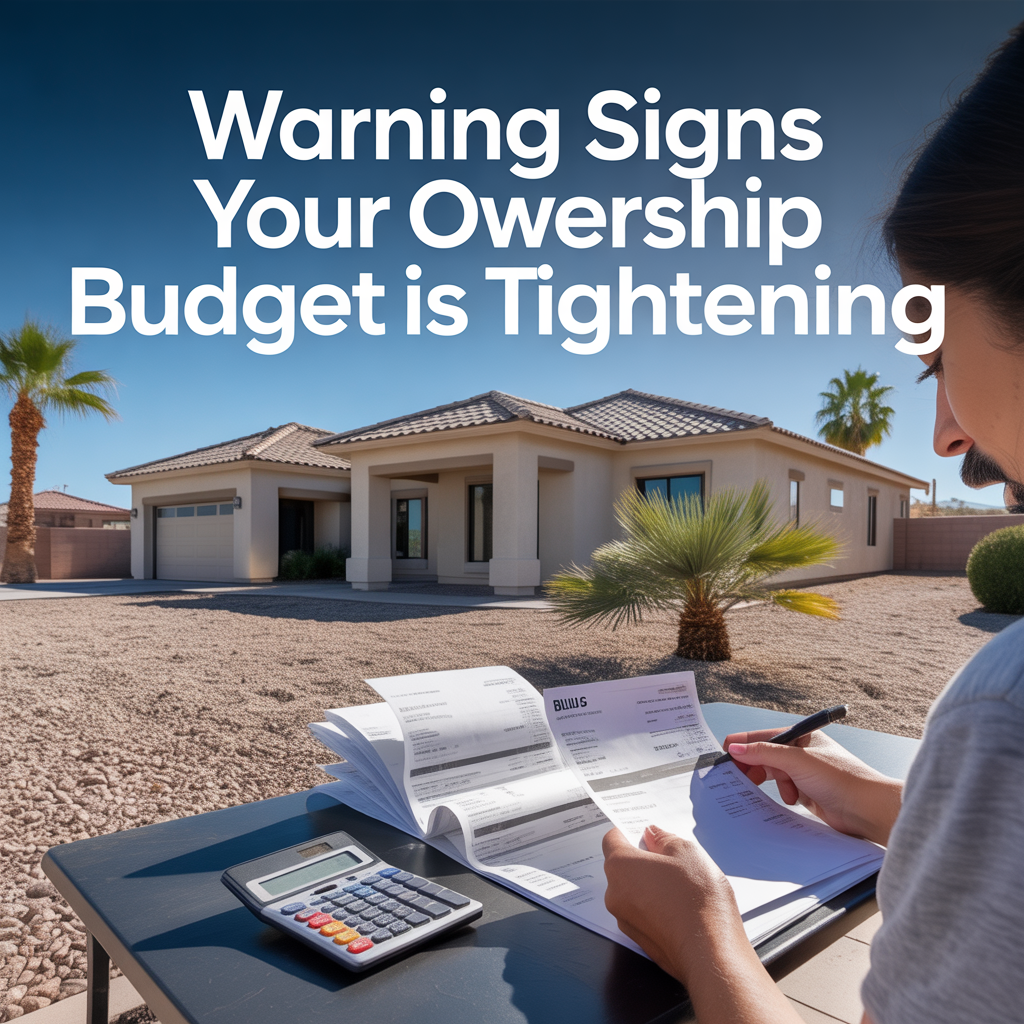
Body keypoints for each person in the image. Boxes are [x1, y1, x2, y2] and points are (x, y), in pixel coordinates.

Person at [601, 22, 1024, 1024]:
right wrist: (895, 805)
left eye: (935, 360)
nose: (945, 431)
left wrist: (703, 939)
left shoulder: (1004, 710)